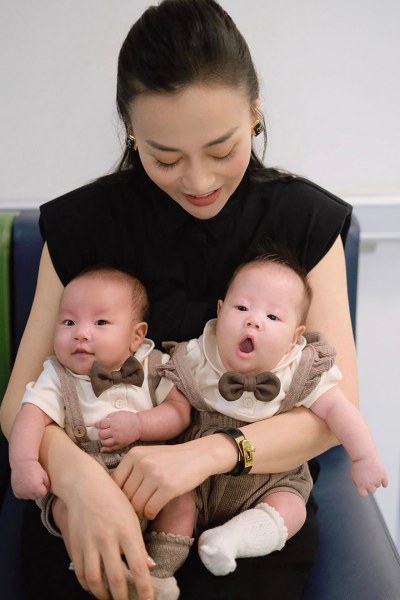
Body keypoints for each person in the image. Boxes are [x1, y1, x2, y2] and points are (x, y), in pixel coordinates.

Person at [0, 1, 358, 599]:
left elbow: (334, 413)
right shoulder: (80, 224)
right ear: (130, 129)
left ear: (255, 106)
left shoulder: (306, 220)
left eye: (221, 150)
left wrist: (211, 454)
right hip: (96, 493)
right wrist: (78, 480)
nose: (198, 181)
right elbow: (19, 403)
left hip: (248, 503)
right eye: (164, 157)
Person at [148, 251, 387, 579]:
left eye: (273, 317)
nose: (253, 320)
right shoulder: (197, 357)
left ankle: (233, 540)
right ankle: (158, 575)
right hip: (197, 476)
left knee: (292, 508)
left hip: (272, 477)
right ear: (220, 311)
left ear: (294, 337)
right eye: (241, 308)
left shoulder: (299, 369)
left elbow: (339, 409)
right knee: (177, 501)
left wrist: (364, 457)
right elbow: (164, 401)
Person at [8, 266, 192, 598]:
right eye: (69, 322)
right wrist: (23, 463)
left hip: (144, 474)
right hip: (81, 480)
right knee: (63, 509)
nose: (81, 333)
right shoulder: (56, 375)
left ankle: (160, 572)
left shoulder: (154, 364)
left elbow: (179, 412)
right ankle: (97, 568)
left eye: (101, 323)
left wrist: (140, 424)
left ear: (136, 336)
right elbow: (30, 416)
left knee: (182, 500)